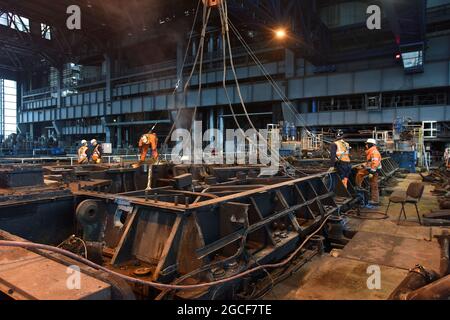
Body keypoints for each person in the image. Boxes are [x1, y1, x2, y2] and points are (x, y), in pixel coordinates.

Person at [356, 138, 382, 208]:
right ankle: (374, 200)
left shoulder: (374, 152)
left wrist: (372, 172)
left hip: (374, 170)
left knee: (373, 185)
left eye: (367, 144)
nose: (366, 145)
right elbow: (369, 162)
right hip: (372, 169)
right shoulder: (371, 151)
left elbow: (375, 163)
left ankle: (375, 201)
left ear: (371, 144)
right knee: (373, 184)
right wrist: (362, 165)